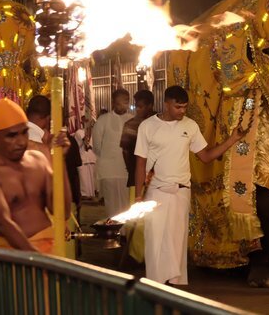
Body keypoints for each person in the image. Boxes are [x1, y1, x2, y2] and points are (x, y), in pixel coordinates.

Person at [135, 85, 244, 285]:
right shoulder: (148, 126)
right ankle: (155, 284)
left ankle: (176, 285)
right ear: (166, 104)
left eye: (185, 107)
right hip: (156, 192)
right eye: (178, 107)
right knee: (155, 239)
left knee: (177, 240)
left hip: (181, 191)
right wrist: (138, 196)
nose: (182, 111)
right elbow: (140, 163)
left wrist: (232, 140)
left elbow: (206, 156)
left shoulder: (190, 126)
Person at [0, 98, 72, 253]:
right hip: (10, 257)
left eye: (24, 133)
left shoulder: (38, 160)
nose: (20, 142)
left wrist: (60, 161)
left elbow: (62, 211)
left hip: (45, 251)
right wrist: (37, 258)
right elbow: (2, 223)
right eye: (11, 136)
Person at [92, 88, 133, 217]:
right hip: (108, 170)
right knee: (112, 205)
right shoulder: (103, 120)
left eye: (125, 102)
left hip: (126, 171)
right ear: (113, 103)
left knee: (127, 205)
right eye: (119, 103)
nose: (123, 106)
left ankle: (125, 235)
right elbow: (96, 145)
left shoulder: (132, 120)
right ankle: (115, 232)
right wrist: (108, 157)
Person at [121, 90, 155, 200]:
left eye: (141, 106)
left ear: (150, 106)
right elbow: (125, 151)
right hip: (136, 175)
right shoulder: (130, 125)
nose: (138, 109)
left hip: (158, 178)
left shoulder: (159, 123)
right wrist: (132, 169)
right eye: (137, 106)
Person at [73, 116, 98, 199]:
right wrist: (84, 139)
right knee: (84, 178)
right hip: (83, 157)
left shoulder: (94, 132)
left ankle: (92, 193)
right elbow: (78, 144)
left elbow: (96, 144)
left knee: (92, 178)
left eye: (88, 121)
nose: (87, 122)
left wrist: (90, 145)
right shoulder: (78, 132)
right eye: (85, 121)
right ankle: (84, 194)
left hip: (91, 156)